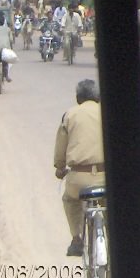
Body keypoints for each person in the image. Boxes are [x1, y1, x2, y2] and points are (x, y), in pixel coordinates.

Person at [53, 79, 105, 256]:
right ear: (97, 97)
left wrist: (60, 169)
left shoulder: (69, 115)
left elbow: (61, 149)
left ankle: (76, 238)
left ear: (78, 98)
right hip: (107, 178)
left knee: (70, 199)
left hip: (79, 179)